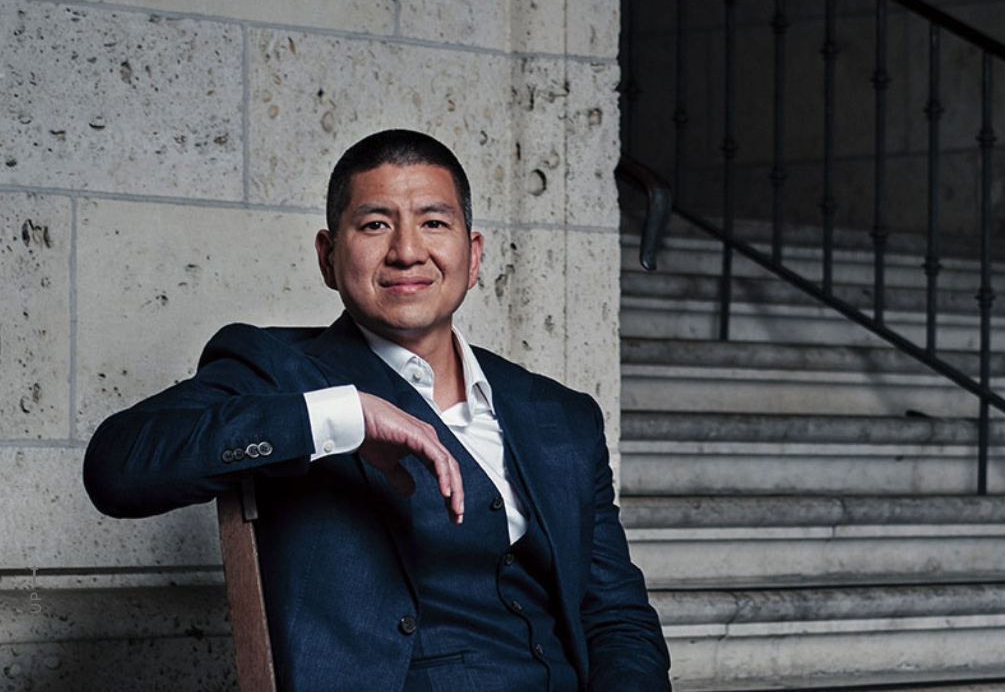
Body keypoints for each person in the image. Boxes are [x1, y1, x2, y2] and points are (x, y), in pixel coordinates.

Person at [83, 129, 671, 692]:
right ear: (328, 257)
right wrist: (339, 418)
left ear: (473, 257)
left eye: (433, 223)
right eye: (375, 225)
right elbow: (116, 468)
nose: (407, 252)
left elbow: (616, 616)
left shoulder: (561, 415)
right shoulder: (278, 372)